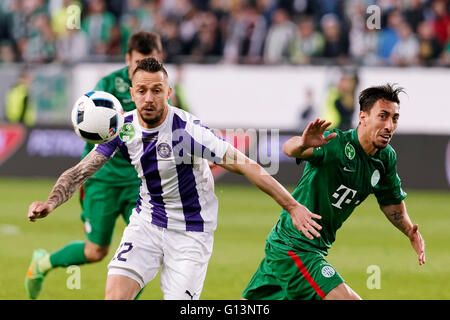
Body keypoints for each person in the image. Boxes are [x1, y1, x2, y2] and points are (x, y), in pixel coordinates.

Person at [27, 57, 321, 300]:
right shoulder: (124, 127)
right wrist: (50, 203)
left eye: (157, 90)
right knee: (115, 296)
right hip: (146, 224)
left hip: (191, 233)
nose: (149, 98)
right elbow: (82, 170)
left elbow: (244, 164)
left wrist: (292, 206)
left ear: (168, 92)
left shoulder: (187, 131)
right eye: (142, 91)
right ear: (131, 94)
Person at [242, 83, 426, 300]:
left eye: (394, 118)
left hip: (300, 247)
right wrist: (302, 143)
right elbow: (288, 148)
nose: (389, 125)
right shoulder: (336, 144)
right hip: (295, 248)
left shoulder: (385, 158)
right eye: (383, 116)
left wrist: (409, 231)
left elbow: (391, 203)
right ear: (363, 117)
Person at [25, 31, 163, 300]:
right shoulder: (109, 85)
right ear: (128, 60)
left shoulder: (164, 87)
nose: (145, 70)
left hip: (140, 181)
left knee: (149, 249)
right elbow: (92, 134)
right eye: (139, 64)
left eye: (152, 61)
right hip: (104, 178)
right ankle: (42, 263)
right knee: (95, 251)